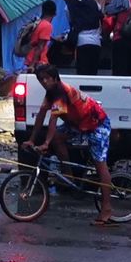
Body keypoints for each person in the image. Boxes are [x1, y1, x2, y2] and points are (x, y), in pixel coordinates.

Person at [22, 64, 115, 226]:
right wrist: (31, 139)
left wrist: (45, 143)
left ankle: (106, 208)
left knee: (100, 164)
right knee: (58, 137)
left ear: (55, 78)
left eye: (46, 78)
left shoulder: (60, 92)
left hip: (97, 124)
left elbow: (53, 119)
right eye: (40, 79)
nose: (43, 82)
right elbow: (41, 115)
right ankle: (68, 174)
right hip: (78, 124)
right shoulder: (51, 92)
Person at [62, 0, 103, 75]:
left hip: (82, 43)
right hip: (96, 42)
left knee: (82, 73)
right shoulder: (94, 3)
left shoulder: (68, 7)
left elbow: (72, 24)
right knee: (93, 73)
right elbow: (101, 18)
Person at [25, 0, 56, 69]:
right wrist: (33, 65)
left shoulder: (37, 23)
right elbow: (40, 46)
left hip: (29, 58)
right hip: (38, 63)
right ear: (54, 14)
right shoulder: (47, 25)